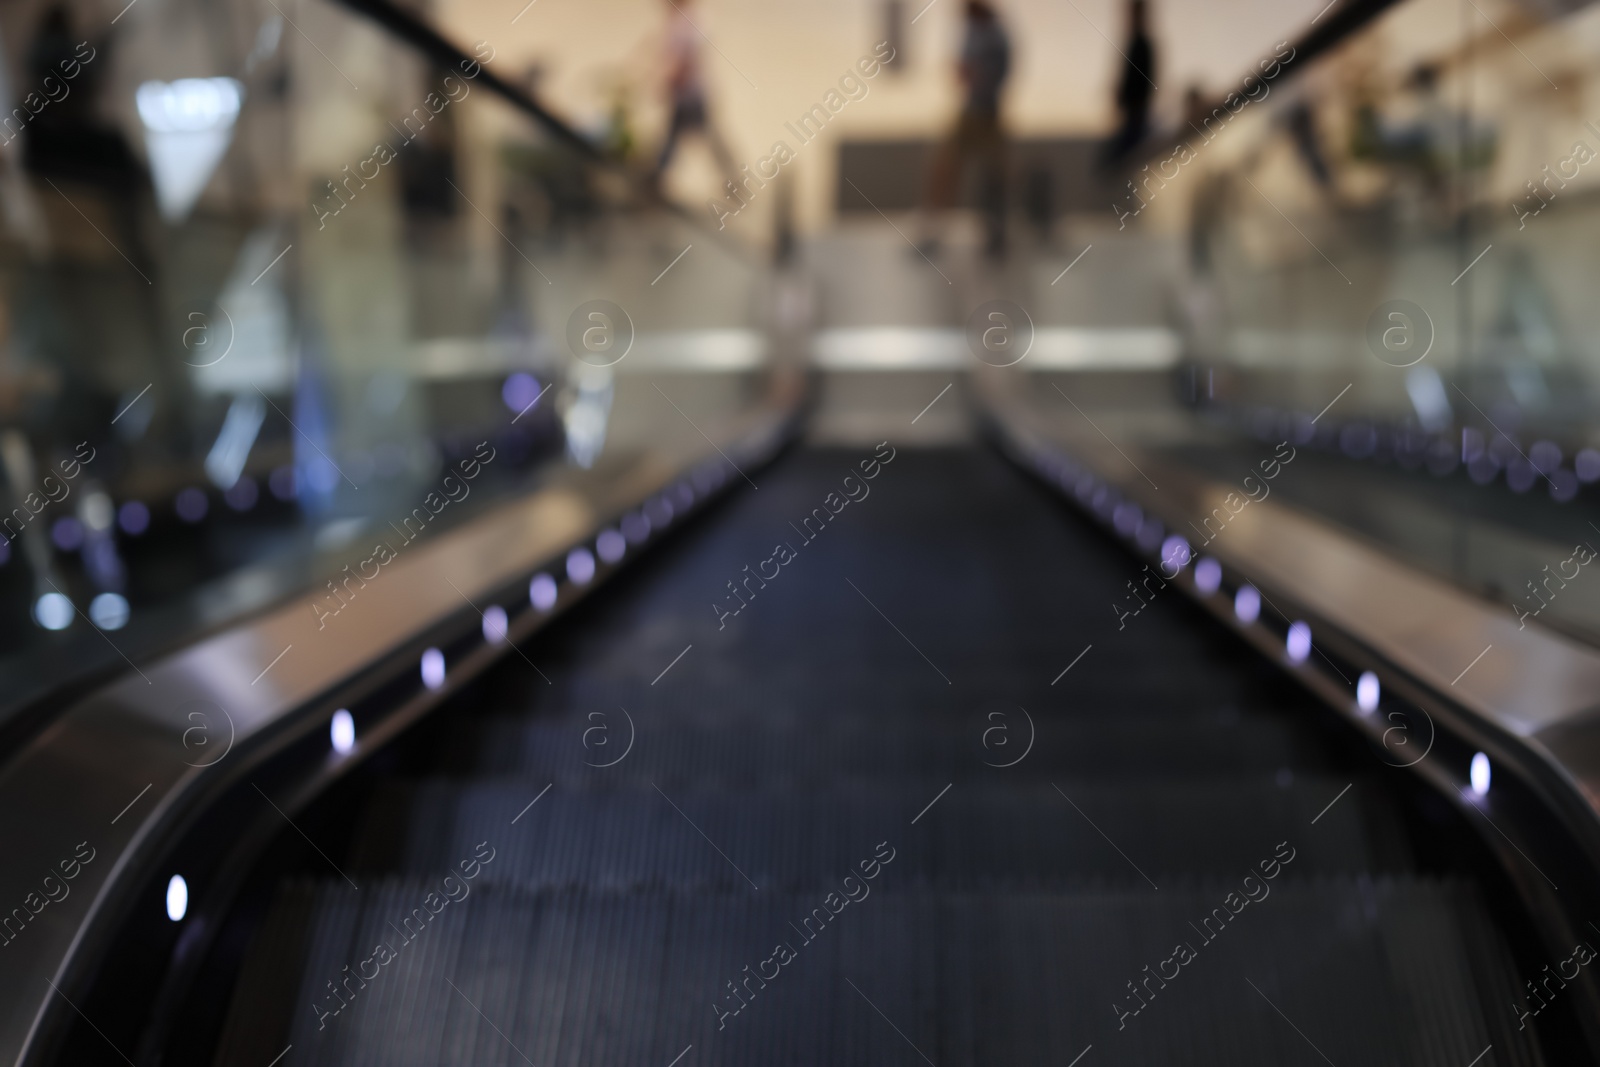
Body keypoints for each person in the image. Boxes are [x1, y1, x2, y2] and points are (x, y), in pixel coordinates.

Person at [918, 1, 1012, 257]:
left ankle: (996, 233)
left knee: (993, 177)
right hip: (971, 111)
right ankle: (933, 230)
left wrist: (973, 74)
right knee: (945, 169)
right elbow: (965, 69)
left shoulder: (995, 37)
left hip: (987, 113)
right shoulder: (975, 29)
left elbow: (993, 76)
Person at [653, 0, 736, 191]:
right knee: (676, 138)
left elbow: (687, 59)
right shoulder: (680, 20)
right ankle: (656, 178)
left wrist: (669, 82)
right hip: (688, 94)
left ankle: (656, 179)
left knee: (705, 139)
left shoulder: (688, 22)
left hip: (692, 95)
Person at [1099, 0, 1156, 170]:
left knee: (1114, 163)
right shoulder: (1134, 44)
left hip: (1136, 117)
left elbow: (1144, 83)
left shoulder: (1142, 44)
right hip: (1131, 116)